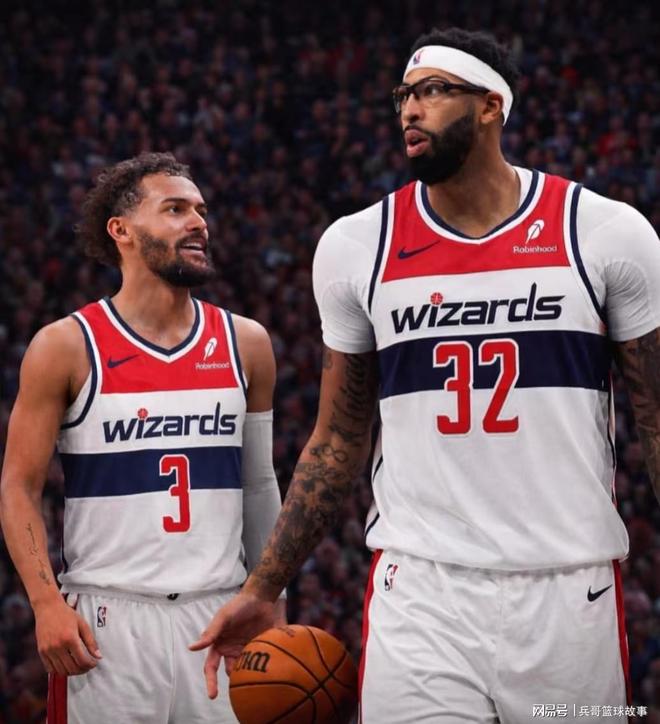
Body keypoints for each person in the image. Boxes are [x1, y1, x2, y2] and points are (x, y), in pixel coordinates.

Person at [190, 27, 660, 723]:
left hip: (568, 589)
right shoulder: (357, 245)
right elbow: (337, 439)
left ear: (492, 106)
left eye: (434, 90)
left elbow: (655, 420)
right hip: (421, 592)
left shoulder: (604, 233)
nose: (410, 109)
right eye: (403, 95)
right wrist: (264, 585)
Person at [0, 152, 285, 724]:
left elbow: (258, 484)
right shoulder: (66, 346)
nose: (198, 223)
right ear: (122, 230)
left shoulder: (246, 342)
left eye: (201, 211)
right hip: (109, 624)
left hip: (219, 615)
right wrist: (45, 603)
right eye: (175, 209)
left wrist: (272, 598)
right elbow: (18, 487)